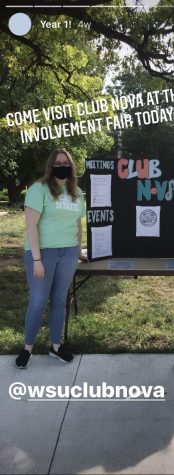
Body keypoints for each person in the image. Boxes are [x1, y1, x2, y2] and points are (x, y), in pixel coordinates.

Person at [16, 148, 87, 369]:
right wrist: (36, 259)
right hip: (43, 253)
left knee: (59, 300)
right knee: (38, 301)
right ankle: (27, 348)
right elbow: (31, 225)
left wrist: (78, 252)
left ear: (71, 166)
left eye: (65, 162)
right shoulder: (39, 189)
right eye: (57, 162)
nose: (62, 165)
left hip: (68, 252)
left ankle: (55, 346)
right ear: (51, 166)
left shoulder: (77, 192)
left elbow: (77, 224)